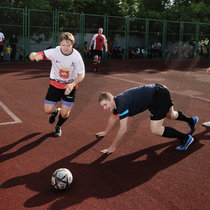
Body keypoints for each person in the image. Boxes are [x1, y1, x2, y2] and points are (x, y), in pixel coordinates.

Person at [96, 84, 198, 154]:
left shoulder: (121, 104)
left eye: (105, 104)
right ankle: (192, 120)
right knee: (171, 115)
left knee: (156, 129)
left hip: (158, 95)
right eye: (102, 106)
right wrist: (105, 132)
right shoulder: (115, 104)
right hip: (160, 90)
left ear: (111, 99)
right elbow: (113, 118)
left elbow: (123, 129)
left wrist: (113, 146)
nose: (104, 108)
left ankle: (186, 138)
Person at [29, 32, 85, 137]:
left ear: (72, 44)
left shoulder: (76, 56)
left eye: (68, 45)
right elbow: (34, 55)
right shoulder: (54, 52)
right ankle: (56, 111)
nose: (66, 47)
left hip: (70, 87)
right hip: (55, 85)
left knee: (65, 114)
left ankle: (58, 126)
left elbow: (82, 75)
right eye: (63, 44)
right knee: (47, 111)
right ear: (60, 43)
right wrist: (35, 56)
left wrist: (72, 84)